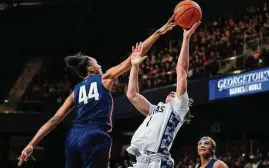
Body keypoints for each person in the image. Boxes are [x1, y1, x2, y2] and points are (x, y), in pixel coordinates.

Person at [17, 17, 176, 168]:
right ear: (91, 69)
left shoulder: (76, 91)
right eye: (97, 64)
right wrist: (158, 33)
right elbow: (132, 59)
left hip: (73, 137)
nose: (100, 66)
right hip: (95, 135)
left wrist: (31, 143)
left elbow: (55, 119)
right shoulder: (104, 78)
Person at [126, 21, 201, 167]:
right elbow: (132, 94)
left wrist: (186, 39)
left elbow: (182, 70)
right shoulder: (155, 110)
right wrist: (134, 66)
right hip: (139, 162)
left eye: (175, 93)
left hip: (157, 162)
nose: (173, 92)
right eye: (172, 92)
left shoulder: (178, 108)